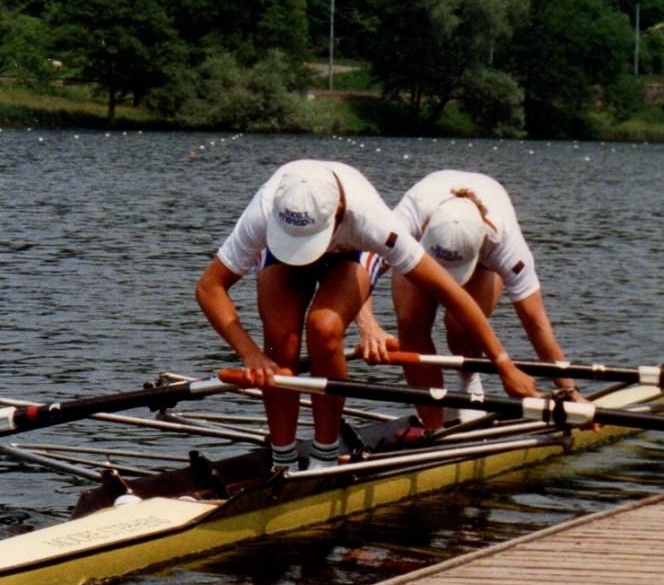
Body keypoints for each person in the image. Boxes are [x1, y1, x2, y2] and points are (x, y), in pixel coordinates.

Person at [195, 160, 539, 471]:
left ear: (340, 211)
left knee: (324, 327)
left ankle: (325, 455)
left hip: (350, 256)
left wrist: (503, 364)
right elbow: (209, 288)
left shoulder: (373, 220)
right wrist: (250, 354)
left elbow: (453, 294)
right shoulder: (267, 209)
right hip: (280, 252)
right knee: (280, 340)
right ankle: (281, 458)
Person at [356, 170, 583, 429]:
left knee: (460, 324)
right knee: (411, 322)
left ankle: (469, 384)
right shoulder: (408, 219)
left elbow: (536, 321)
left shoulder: (505, 244)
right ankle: (434, 430)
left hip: (481, 251)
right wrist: (368, 327)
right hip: (419, 243)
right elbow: (360, 270)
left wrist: (571, 392)